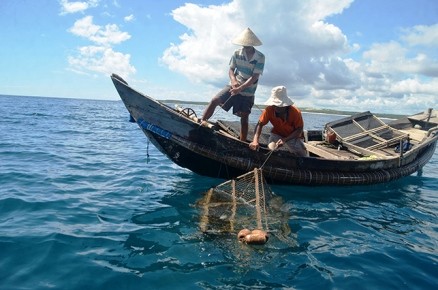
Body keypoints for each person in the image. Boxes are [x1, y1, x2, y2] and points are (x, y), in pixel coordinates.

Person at [201, 27, 265, 141]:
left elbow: (255, 77)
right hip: (234, 85)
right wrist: (234, 82)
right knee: (215, 100)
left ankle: (242, 142)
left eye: (247, 44)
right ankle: (202, 121)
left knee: (244, 117)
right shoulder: (236, 53)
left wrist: (240, 88)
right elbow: (231, 70)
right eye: (243, 44)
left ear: (252, 44)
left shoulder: (260, 57)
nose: (245, 46)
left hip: (248, 91)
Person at [249, 86, 308, 157]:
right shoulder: (269, 110)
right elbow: (260, 124)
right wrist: (255, 140)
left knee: (303, 156)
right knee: (271, 149)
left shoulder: (295, 112)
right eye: (275, 105)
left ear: (285, 105)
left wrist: (285, 139)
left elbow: (299, 129)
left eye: (279, 105)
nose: (276, 107)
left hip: (292, 136)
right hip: (277, 133)